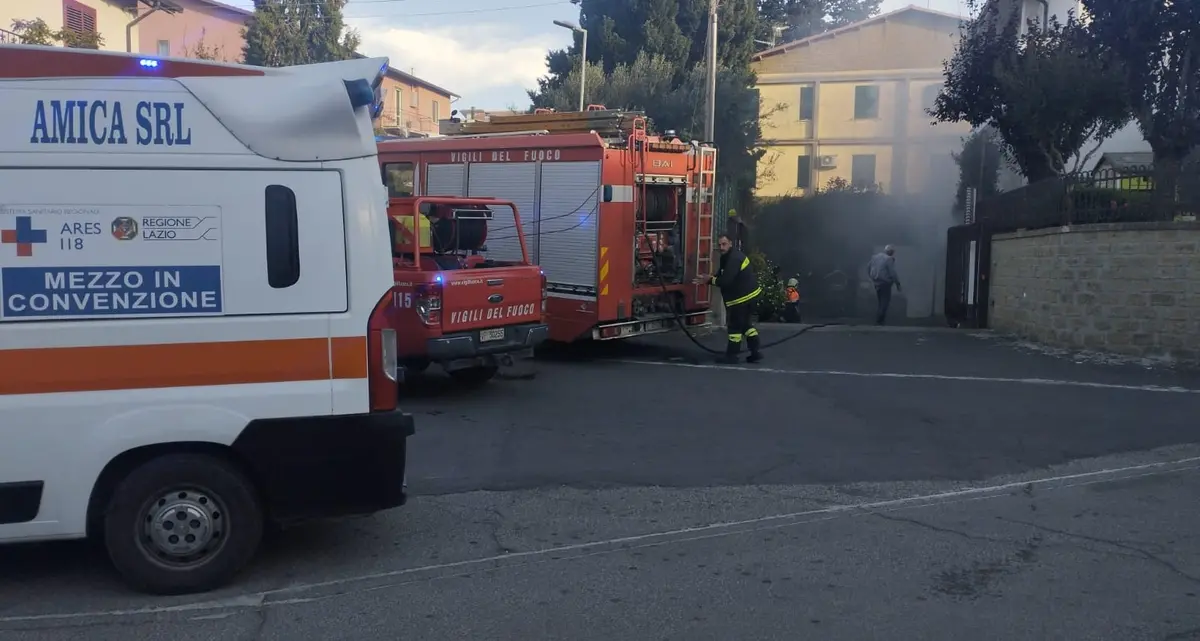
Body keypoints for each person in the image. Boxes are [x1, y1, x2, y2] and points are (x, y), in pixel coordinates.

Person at [695, 234, 763, 364]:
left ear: (730, 243)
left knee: (734, 328)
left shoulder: (733, 259)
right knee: (746, 325)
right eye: (719, 245)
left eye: (724, 244)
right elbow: (722, 275)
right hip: (750, 296)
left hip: (741, 299)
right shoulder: (729, 257)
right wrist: (710, 278)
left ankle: (732, 356)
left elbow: (726, 281)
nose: (721, 247)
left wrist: (710, 280)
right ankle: (755, 352)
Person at [867, 245, 902, 325]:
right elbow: (892, 273)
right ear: (891, 252)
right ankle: (880, 320)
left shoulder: (875, 257)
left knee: (880, 301)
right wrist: (897, 283)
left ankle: (879, 319)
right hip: (885, 283)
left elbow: (868, 267)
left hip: (876, 282)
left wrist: (871, 277)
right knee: (884, 302)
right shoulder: (889, 259)